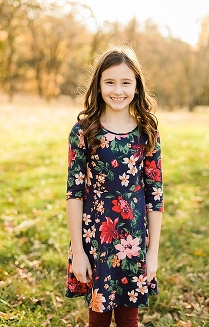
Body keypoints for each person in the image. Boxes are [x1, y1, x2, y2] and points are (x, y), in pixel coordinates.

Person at [65, 45, 163, 327]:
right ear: (98, 85)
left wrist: (152, 252)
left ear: (136, 86)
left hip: (134, 236)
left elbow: (154, 194)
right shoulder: (84, 130)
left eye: (125, 82)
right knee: (98, 314)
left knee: (129, 317)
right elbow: (74, 192)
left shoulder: (147, 130)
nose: (117, 90)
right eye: (109, 82)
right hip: (97, 236)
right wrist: (78, 250)